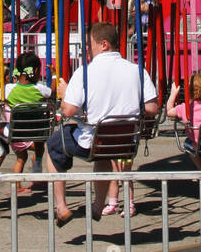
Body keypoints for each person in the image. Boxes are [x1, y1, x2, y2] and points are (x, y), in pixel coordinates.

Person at [44, 20, 158, 227]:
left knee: (53, 144)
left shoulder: (84, 72)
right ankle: (97, 204)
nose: (87, 50)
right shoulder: (137, 71)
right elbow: (151, 109)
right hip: (124, 141)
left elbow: (68, 110)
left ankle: (61, 206)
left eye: (90, 45)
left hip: (92, 140)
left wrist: (64, 93)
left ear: (104, 44)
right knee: (103, 155)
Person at [0, 50, 55, 194]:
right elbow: (54, 93)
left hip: (15, 131)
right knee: (41, 127)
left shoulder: (8, 89)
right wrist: (54, 75)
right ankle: (37, 161)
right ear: (36, 70)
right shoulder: (41, 89)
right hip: (35, 132)